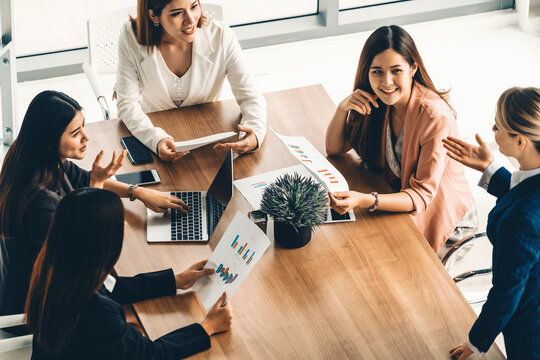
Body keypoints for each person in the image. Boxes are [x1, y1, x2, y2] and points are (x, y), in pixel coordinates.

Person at [0, 91, 188, 320]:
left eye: (83, 126)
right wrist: (173, 281)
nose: (86, 138)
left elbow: (86, 180)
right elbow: (89, 252)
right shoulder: (40, 204)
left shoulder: (36, 158)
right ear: (49, 141)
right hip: (40, 310)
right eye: (75, 133)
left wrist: (137, 192)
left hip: (48, 281)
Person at [25, 188, 232, 359]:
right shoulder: (99, 314)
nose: (124, 225)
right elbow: (149, 355)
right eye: (119, 222)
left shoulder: (57, 271)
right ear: (102, 244)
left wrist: (174, 280)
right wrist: (207, 327)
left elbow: (114, 287)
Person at [325, 25, 474, 253]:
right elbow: (334, 148)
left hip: (446, 223)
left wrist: (365, 200)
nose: (386, 82)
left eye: (396, 71)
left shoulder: (435, 117)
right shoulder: (379, 103)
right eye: (377, 71)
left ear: (413, 68)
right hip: (398, 198)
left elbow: (421, 196)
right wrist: (342, 108)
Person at [445, 87, 540, 360]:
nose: (492, 130)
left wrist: (477, 341)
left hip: (530, 331)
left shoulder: (521, 218)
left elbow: (507, 290)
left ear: (520, 141)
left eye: (498, 126)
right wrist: (489, 168)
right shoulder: (530, 192)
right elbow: (525, 192)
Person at [116, 0, 267, 161]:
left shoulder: (221, 35)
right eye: (177, 13)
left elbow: (250, 97)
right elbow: (127, 104)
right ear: (153, 15)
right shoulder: (130, 36)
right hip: (156, 137)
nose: (191, 19)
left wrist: (254, 133)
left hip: (210, 140)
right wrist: (155, 139)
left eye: (194, 6)